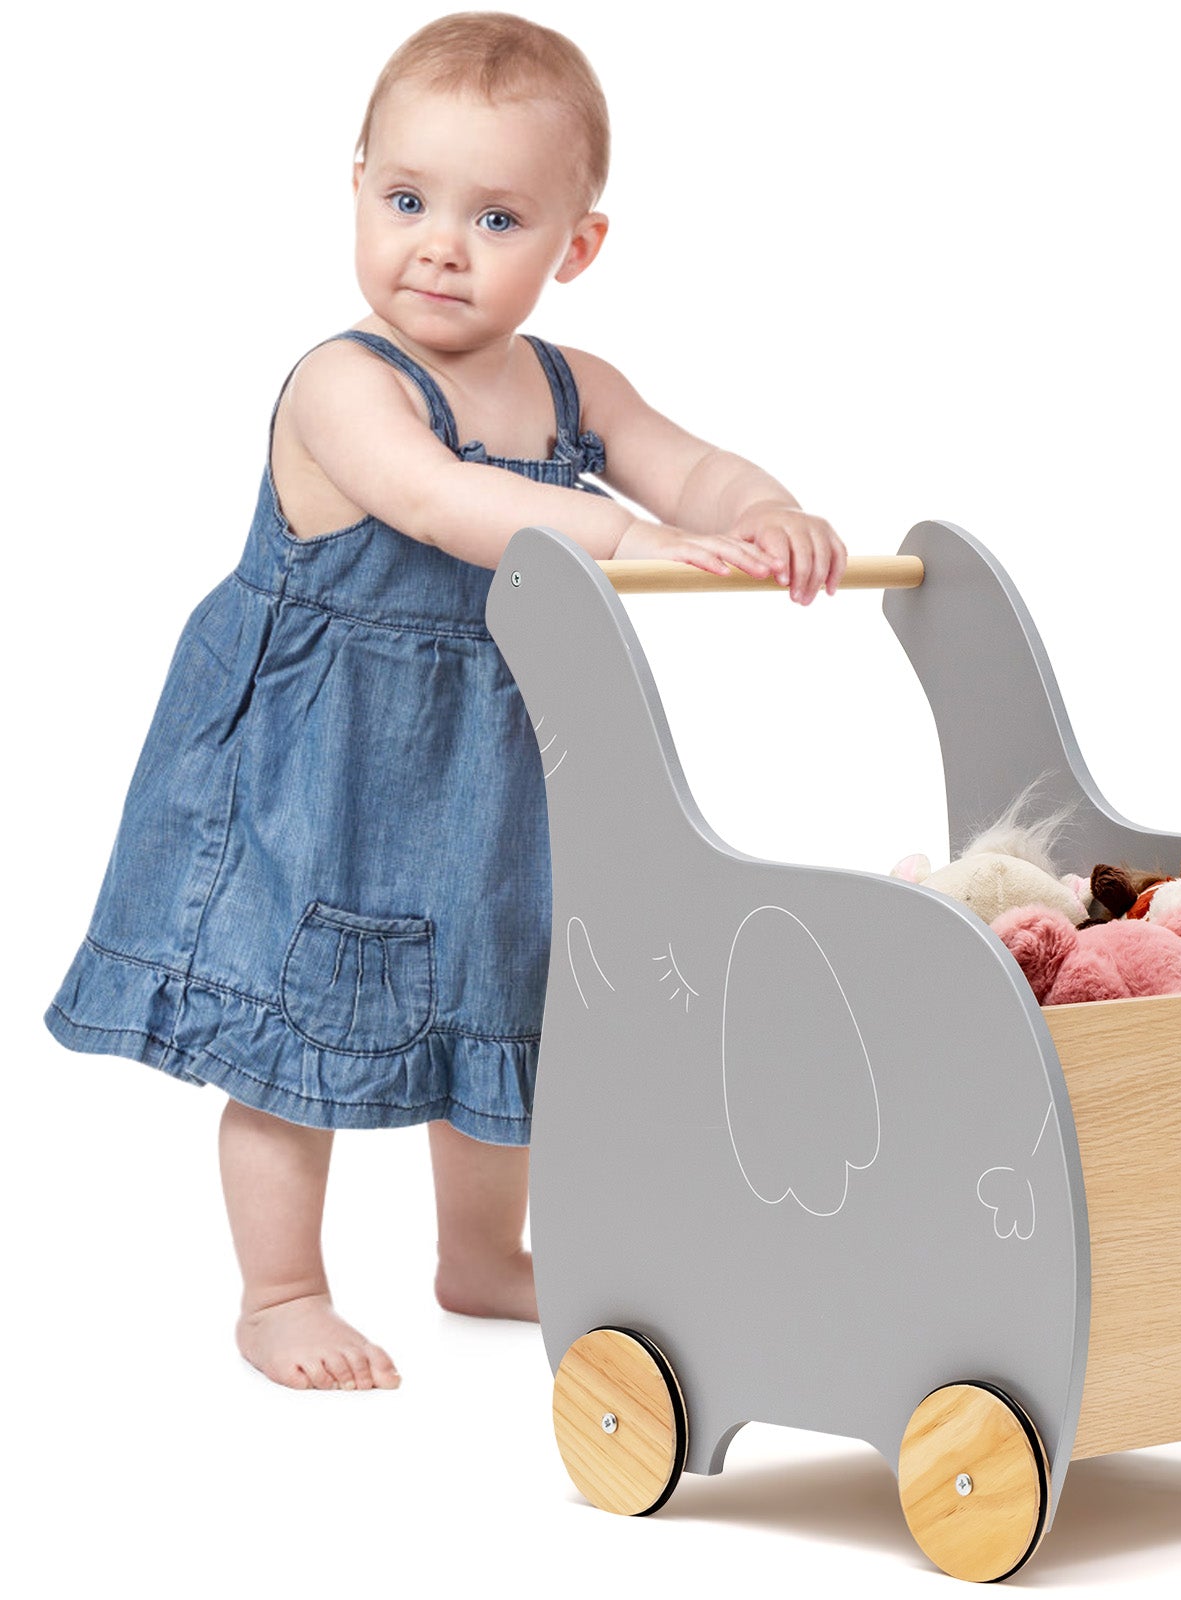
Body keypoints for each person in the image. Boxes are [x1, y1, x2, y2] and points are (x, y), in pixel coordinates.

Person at [42, 11, 846, 1394]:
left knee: (497, 991)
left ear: (575, 247)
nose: (441, 247)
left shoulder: (574, 387)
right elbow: (437, 500)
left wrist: (763, 510)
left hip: (485, 756)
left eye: (498, 218)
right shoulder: (344, 383)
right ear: (356, 186)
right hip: (312, 762)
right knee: (290, 1010)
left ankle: (480, 1257)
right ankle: (282, 1291)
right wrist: (624, 539)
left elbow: (691, 467)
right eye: (408, 200)